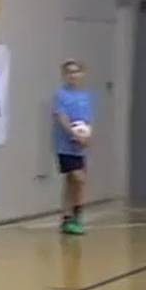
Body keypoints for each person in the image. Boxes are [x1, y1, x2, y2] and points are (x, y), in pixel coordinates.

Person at [53, 59, 95, 235]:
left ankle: (69, 217)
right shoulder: (61, 95)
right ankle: (73, 215)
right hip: (66, 145)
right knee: (78, 178)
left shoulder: (86, 97)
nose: (73, 75)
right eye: (69, 72)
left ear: (82, 74)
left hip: (80, 147)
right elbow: (61, 117)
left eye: (76, 71)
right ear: (65, 75)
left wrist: (87, 137)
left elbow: (88, 120)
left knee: (72, 182)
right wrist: (73, 134)